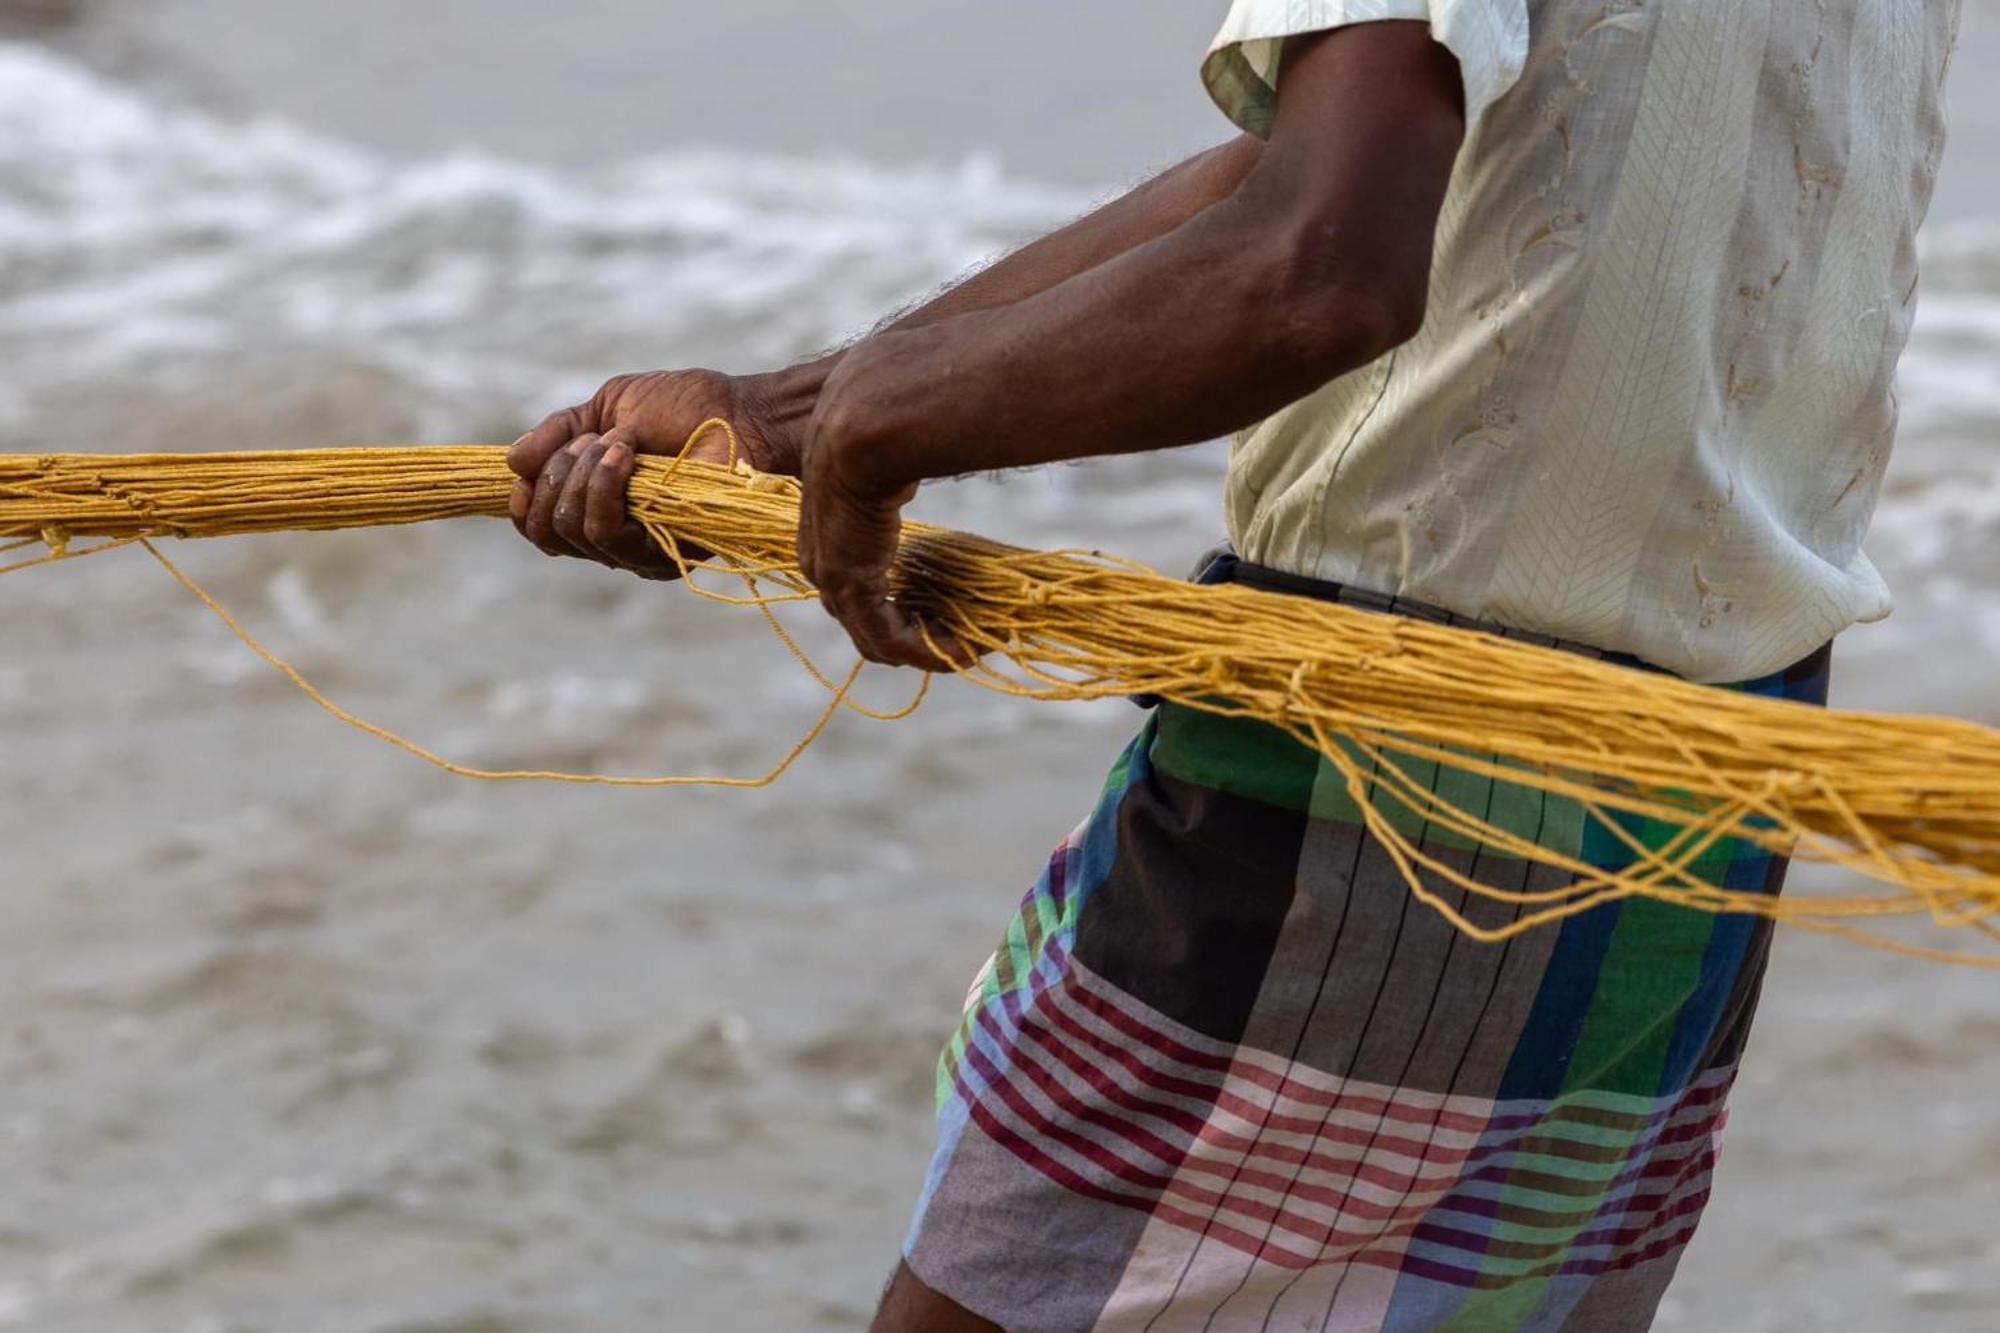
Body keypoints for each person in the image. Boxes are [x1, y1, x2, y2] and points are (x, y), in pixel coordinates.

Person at [506, 3, 1960, 1329]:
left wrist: (880, 425)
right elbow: (1340, 174)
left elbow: (1318, 264)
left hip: (1385, 778)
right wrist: (782, 419)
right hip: (1703, 790)